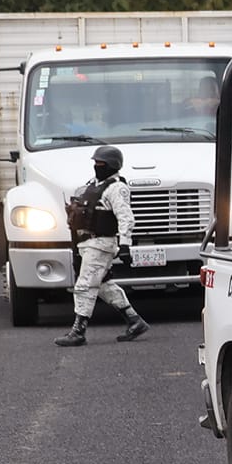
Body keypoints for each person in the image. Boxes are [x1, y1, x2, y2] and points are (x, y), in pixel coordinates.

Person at [55, 144, 150, 348]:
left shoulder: (117, 188)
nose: (97, 166)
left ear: (112, 165)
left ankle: (78, 331)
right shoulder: (95, 184)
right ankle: (135, 321)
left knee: (84, 286)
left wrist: (125, 244)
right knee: (105, 286)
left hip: (101, 244)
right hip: (87, 243)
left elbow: (126, 218)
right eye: (95, 163)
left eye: (101, 163)